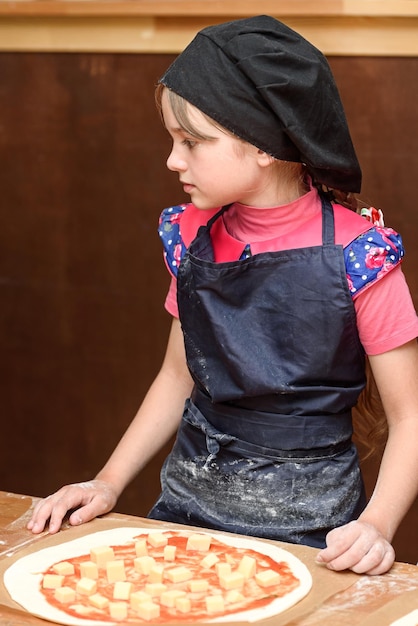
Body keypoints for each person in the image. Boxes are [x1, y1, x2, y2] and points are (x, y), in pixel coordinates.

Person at [28, 15, 418, 576]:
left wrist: (376, 525)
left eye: (192, 141)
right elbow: (175, 377)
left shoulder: (361, 255)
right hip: (187, 506)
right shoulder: (190, 236)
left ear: (262, 143)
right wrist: (107, 482)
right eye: (171, 139)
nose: (172, 160)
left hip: (311, 525)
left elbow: (408, 418)